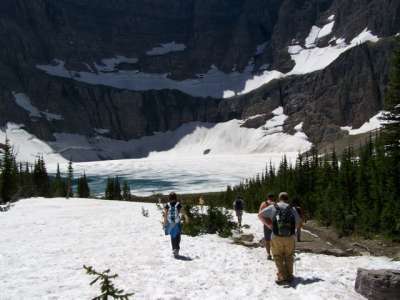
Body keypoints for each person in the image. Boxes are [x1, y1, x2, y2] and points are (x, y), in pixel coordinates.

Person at [258, 192, 301, 285]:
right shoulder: (292, 208)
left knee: (278, 256)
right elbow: (298, 222)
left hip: (276, 236)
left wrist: (269, 225)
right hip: (290, 237)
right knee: (289, 256)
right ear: (287, 198)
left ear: (279, 198)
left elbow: (260, 215)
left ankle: (281, 275)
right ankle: (289, 275)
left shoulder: (274, 206)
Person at [163, 192, 182, 258]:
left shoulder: (167, 205)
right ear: (175, 197)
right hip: (177, 222)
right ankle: (177, 249)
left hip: (170, 223)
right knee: (178, 236)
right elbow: (181, 212)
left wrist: (165, 223)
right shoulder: (178, 204)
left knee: (172, 236)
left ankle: (174, 249)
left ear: (169, 197)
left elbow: (165, 215)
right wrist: (186, 217)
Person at [259, 193, 275, 260]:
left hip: (267, 224)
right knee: (274, 240)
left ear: (267, 197)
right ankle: (275, 253)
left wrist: (265, 223)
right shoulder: (275, 204)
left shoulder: (263, 204)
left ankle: (268, 254)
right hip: (275, 224)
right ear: (273, 197)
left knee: (267, 240)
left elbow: (260, 214)